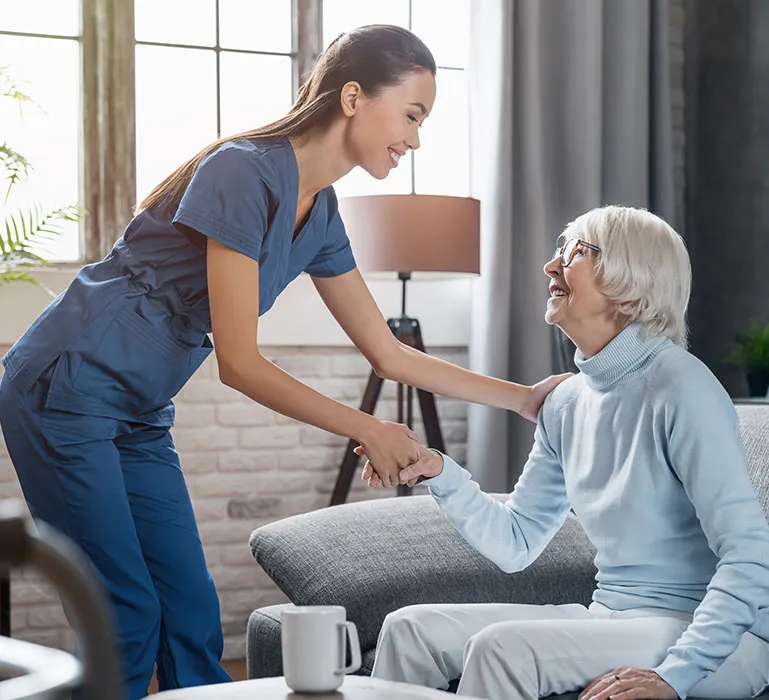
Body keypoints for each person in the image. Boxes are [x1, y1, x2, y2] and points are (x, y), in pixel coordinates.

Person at [0, 25, 567, 700]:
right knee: (124, 613)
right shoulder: (243, 170)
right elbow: (239, 362)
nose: (414, 139)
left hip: (137, 413)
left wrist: (524, 398)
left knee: (189, 612)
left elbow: (386, 353)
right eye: (411, 115)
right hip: (64, 390)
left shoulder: (320, 213)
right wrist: (368, 429)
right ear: (353, 96)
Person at [363, 205, 769, 700]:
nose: (551, 266)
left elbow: (750, 554)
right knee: (409, 630)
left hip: (712, 637)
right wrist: (442, 474)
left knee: (502, 647)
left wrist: (675, 674)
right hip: (612, 618)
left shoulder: (682, 387)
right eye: (560, 250)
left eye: (577, 251)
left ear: (632, 281)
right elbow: (517, 542)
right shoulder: (567, 402)